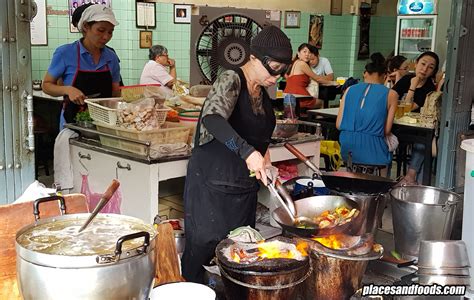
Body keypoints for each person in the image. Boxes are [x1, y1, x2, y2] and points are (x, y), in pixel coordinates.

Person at [181, 25, 292, 283]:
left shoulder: (262, 94)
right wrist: (245, 152)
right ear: (254, 58)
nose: (277, 77)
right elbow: (213, 119)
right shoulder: (231, 79)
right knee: (203, 250)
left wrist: (265, 159)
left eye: (283, 71)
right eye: (274, 68)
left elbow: (258, 136)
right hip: (212, 187)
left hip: (243, 190)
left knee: (240, 254)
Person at [42, 4, 121, 128]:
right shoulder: (65, 53)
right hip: (72, 126)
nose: (106, 36)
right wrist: (68, 89)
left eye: (110, 32)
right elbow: (46, 85)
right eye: (100, 30)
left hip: (103, 126)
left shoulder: (111, 58)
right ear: (86, 26)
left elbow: (115, 92)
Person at [336, 53, 398, 176]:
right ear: (385, 76)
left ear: (365, 73)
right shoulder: (391, 94)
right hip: (374, 151)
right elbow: (386, 130)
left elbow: (338, 124)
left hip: (347, 148)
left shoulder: (349, 89)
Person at [392, 51, 439, 184]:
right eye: (423, 64)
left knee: (423, 141)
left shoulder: (429, 87)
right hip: (396, 124)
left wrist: (413, 86)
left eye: (430, 67)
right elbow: (391, 98)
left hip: (416, 128)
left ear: (434, 71)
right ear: (416, 63)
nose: (424, 69)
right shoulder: (406, 79)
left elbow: (409, 107)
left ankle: (411, 176)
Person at [284, 43, 330, 112]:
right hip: (299, 97)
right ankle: (319, 122)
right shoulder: (302, 64)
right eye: (304, 51)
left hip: (287, 96)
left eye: (309, 52)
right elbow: (317, 78)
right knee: (322, 103)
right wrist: (332, 82)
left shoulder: (295, 62)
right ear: (298, 54)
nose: (307, 54)